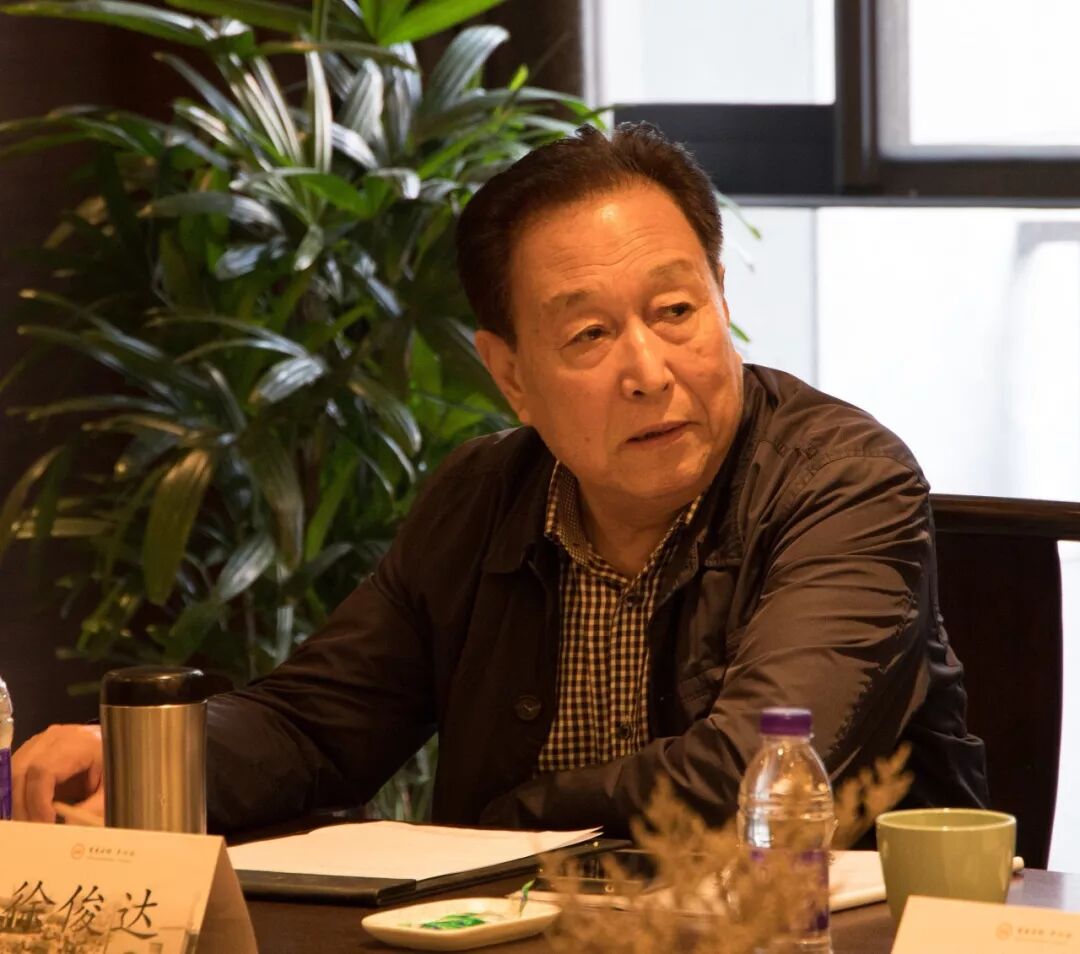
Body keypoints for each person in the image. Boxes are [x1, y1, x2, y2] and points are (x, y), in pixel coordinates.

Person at [12, 123, 988, 836]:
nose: (649, 370)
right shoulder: (482, 496)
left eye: (676, 311)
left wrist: (509, 819)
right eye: (590, 334)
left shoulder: (842, 484)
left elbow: (759, 770)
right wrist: (147, 760)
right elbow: (314, 729)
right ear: (511, 374)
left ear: (722, 301)